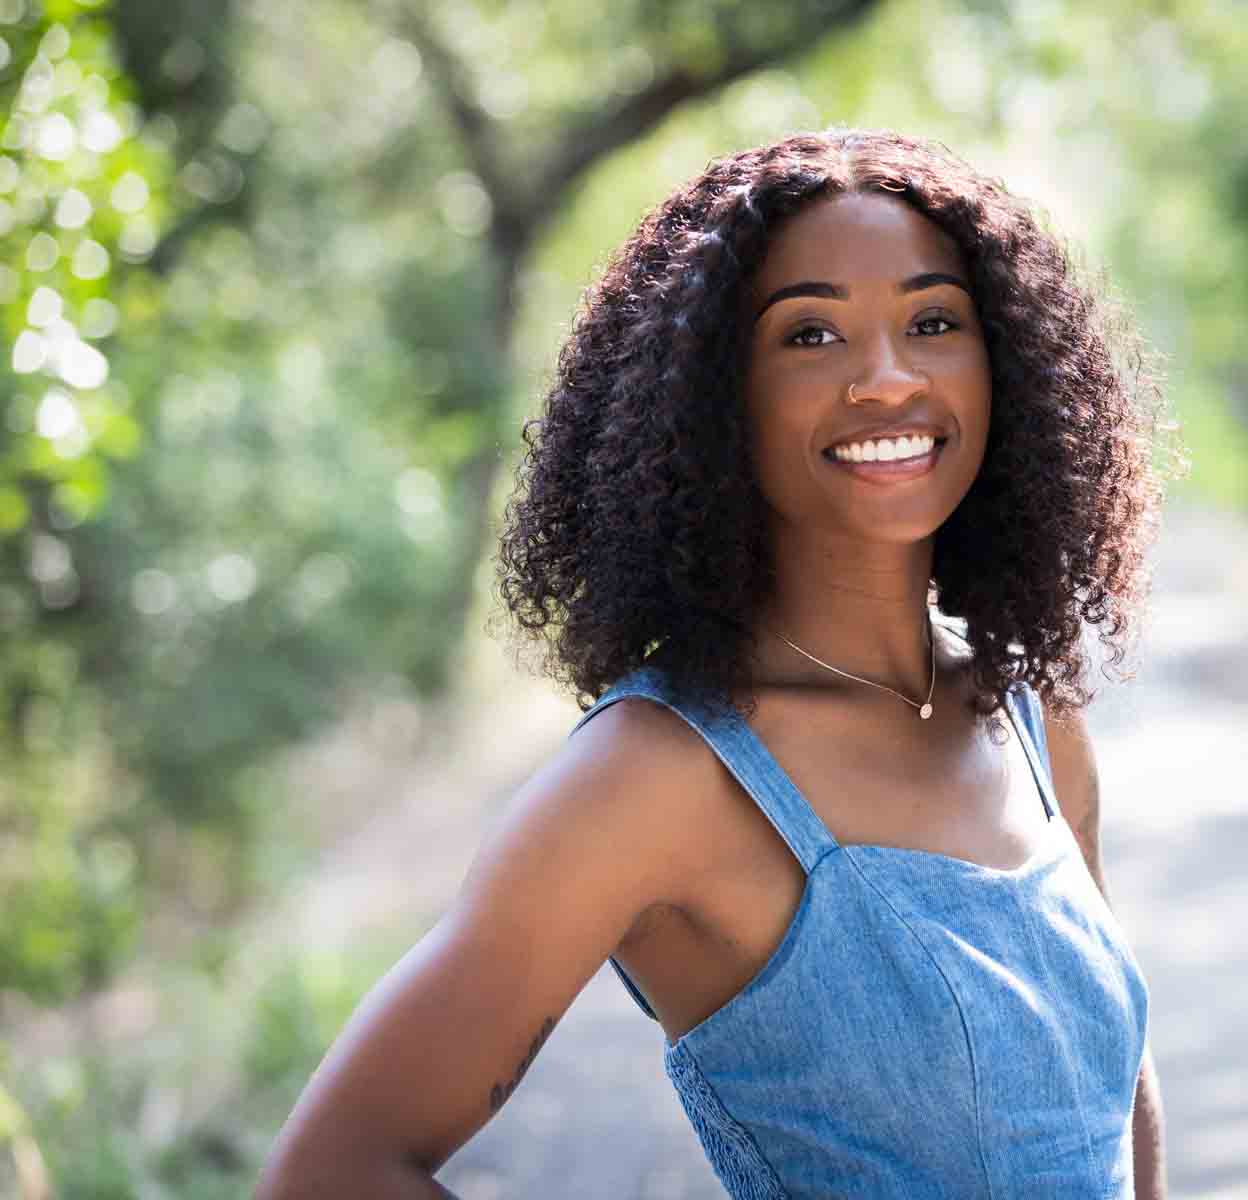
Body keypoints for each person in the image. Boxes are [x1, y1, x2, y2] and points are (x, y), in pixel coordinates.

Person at [257, 128, 1175, 1199]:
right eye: (810, 336)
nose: (886, 380)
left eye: (933, 321)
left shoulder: (1025, 712)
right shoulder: (658, 775)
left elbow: (1111, 1092)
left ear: (1002, 363)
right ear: (711, 399)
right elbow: (335, 1170)